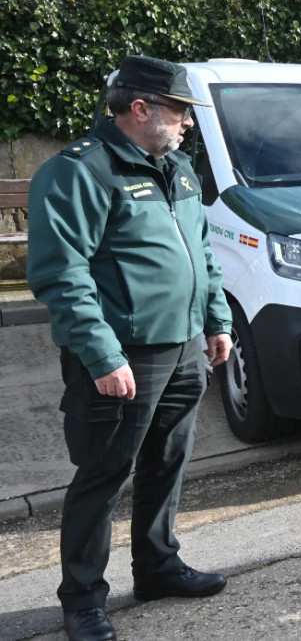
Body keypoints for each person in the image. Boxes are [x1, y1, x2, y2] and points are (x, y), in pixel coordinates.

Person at [26, 55, 233, 641]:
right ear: (139, 109)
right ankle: (83, 599)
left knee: (168, 461)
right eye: (180, 111)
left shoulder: (179, 169)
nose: (188, 123)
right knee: (104, 474)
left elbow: (202, 252)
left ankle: (158, 567)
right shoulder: (80, 172)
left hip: (185, 346)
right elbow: (61, 275)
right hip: (124, 355)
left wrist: (216, 320)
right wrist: (103, 355)